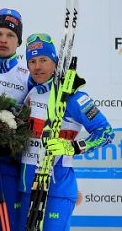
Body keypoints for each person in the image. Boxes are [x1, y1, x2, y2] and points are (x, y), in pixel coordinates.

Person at [19, 33, 114, 230]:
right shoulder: (30, 91)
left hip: (57, 187)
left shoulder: (74, 98)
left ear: (55, 62)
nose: (38, 66)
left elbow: (106, 133)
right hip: (27, 187)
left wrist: (73, 147)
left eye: (44, 60)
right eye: (32, 61)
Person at [0, 8, 29, 230]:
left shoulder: (27, 73)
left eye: (11, 35)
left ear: (18, 41)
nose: (4, 40)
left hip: (9, 160)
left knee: (7, 223)